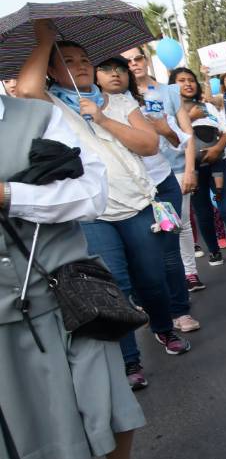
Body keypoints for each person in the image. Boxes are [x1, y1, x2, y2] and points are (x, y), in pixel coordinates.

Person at [1, 94, 164, 459]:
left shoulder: (37, 116)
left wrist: (11, 196)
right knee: (27, 415)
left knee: (106, 395)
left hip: (66, 287)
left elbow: (92, 194)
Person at [15, 20, 192, 390]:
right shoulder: (49, 107)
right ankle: (129, 362)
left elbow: (147, 145)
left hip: (138, 204)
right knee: (114, 287)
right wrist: (46, 39)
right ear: (51, 70)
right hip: (93, 214)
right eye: (67, 61)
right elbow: (28, 87)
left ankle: (162, 328)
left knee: (152, 280)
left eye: (83, 60)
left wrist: (102, 118)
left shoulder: (120, 101)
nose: (79, 66)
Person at [94, 55, 200, 336]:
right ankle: (152, 309)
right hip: (121, 198)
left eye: (121, 69)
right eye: (105, 69)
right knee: (137, 261)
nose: (115, 74)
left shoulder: (144, 105)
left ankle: (179, 310)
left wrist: (165, 131)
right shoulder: (86, 112)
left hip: (161, 187)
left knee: (167, 254)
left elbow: (179, 142)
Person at [122, 47, 204, 293]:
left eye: (138, 58)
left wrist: (190, 169)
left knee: (180, 224)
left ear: (146, 60)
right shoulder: (119, 96)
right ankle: (159, 284)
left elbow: (187, 133)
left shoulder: (169, 91)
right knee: (150, 230)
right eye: (128, 61)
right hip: (138, 173)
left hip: (175, 168)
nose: (135, 64)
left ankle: (189, 273)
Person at [173, 66, 226, 269]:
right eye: (181, 80)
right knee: (203, 212)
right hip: (193, 169)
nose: (188, 84)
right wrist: (189, 118)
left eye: (191, 80)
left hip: (218, 162)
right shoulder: (171, 112)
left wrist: (217, 148)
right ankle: (213, 251)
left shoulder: (208, 107)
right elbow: (171, 139)